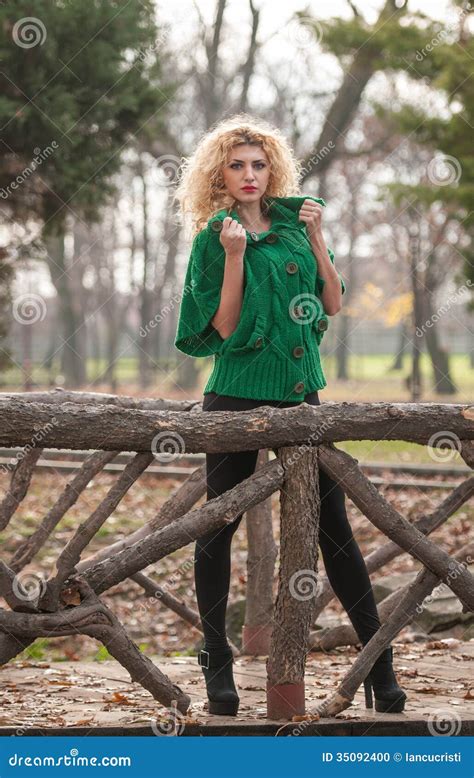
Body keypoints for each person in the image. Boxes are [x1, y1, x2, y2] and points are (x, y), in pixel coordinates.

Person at [173, 114, 406, 718]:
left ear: (271, 169)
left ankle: (378, 667)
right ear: (218, 175)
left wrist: (320, 238)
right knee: (216, 527)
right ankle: (216, 669)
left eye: (258, 164)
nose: (250, 175)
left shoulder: (297, 226)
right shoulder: (212, 238)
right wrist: (232, 257)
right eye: (236, 165)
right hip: (235, 398)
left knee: (337, 532)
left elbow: (331, 300)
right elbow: (222, 331)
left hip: (301, 399)